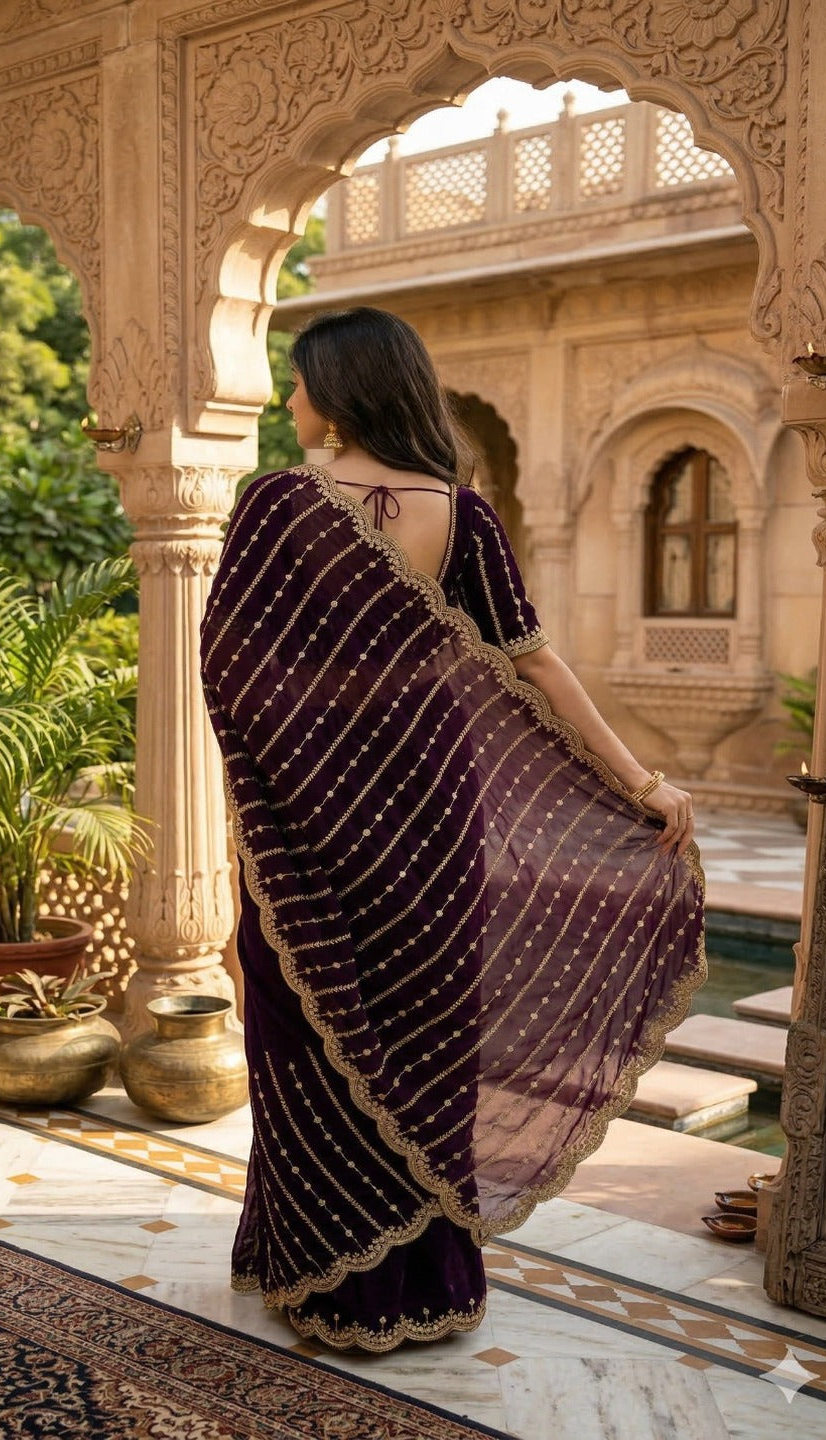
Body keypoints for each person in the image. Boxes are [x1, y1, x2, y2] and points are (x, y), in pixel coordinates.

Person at [199, 306, 705, 1352]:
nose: (290, 401)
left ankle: (325, 1273)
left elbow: (230, 661)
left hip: (309, 822)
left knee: (306, 1037)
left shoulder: (279, 505)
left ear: (339, 390)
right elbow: (536, 662)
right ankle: (425, 1280)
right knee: (422, 1031)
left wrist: (299, 755)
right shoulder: (461, 516)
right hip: (432, 820)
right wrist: (643, 781)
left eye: (299, 383)